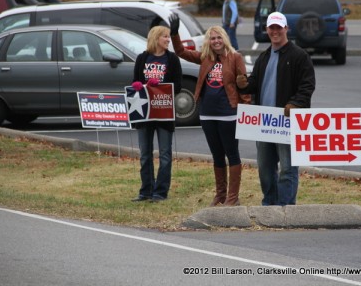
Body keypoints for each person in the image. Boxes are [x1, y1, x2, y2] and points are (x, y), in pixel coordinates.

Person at [169, 13, 250, 206]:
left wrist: (246, 108)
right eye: (212, 38)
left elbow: (244, 85)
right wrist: (174, 34)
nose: (216, 41)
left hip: (228, 113)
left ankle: (233, 197)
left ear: (225, 39)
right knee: (216, 154)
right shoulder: (205, 58)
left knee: (232, 153)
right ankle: (220, 195)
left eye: (219, 37)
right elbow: (181, 52)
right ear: (208, 41)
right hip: (207, 113)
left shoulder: (235, 57)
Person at [236, 12, 316, 206]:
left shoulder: (299, 56)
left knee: (288, 168)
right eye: (271, 28)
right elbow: (255, 83)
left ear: (286, 29)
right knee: (265, 167)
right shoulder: (263, 57)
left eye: (279, 28)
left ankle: (286, 207)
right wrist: (244, 85)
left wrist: (295, 104)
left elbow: (307, 86)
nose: (275, 31)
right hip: (264, 122)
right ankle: (270, 204)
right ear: (267, 30)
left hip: (287, 121)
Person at [131, 25, 182, 202]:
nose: (168, 40)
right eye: (165, 37)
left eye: (169, 37)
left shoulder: (172, 59)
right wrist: (138, 86)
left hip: (164, 113)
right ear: (155, 38)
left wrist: (159, 86)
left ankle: (160, 192)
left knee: (165, 155)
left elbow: (178, 86)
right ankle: (146, 190)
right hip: (144, 114)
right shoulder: (142, 58)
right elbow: (135, 82)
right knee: (145, 154)